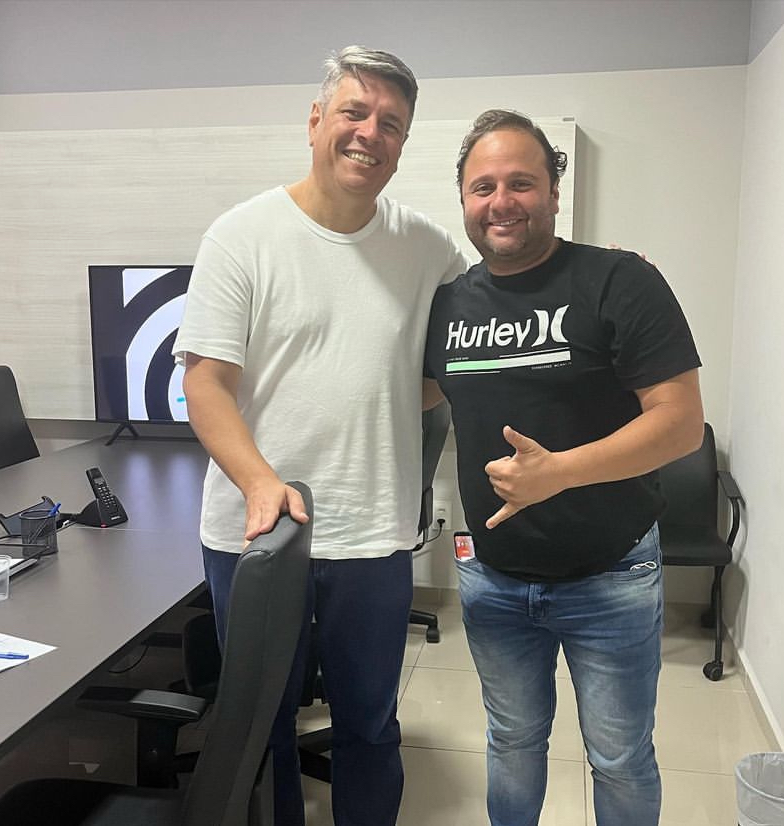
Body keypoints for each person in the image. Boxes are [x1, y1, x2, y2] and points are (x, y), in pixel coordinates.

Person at [173, 47, 468, 826]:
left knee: (368, 724)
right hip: (260, 535)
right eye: (354, 112)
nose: (370, 134)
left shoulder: (431, 251)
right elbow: (205, 384)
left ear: (403, 144)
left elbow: (478, 341)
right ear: (315, 120)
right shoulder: (241, 236)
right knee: (262, 730)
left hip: (372, 534)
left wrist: (593, 280)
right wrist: (261, 481)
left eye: (391, 124)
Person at [424, 109, 704, 826]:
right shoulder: (448, 306)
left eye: (522, 182)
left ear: (554, 191)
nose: (502, 201)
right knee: (512, 743)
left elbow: (679, 422)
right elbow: (405, 392)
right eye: (483, 186)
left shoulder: (619, 280)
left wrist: (560, 472)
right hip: (492, 578)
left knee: (619, 758)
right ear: (463, 200)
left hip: (610, 576)